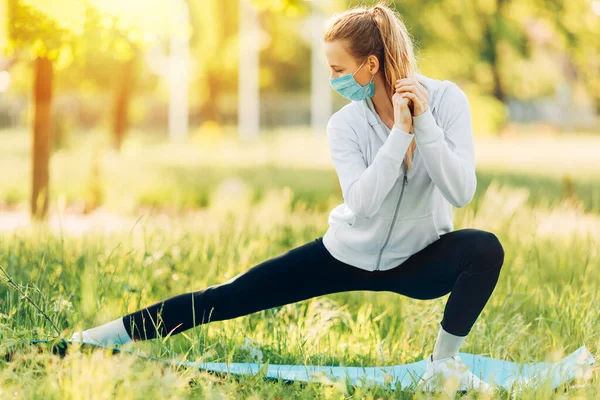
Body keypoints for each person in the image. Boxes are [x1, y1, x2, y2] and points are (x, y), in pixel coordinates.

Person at [71, 1, 504, 394]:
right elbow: (363, 204)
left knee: (484, 249)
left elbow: (462, 191)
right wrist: (399, 136)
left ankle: (442, 366)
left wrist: (425, 124)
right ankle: (100, 337)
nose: (332, 79)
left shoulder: (447, 101)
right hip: (346, 253)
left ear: (370, 65)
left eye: (338, 69)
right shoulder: (346, 125)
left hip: (419, 261)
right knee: (230, 295)